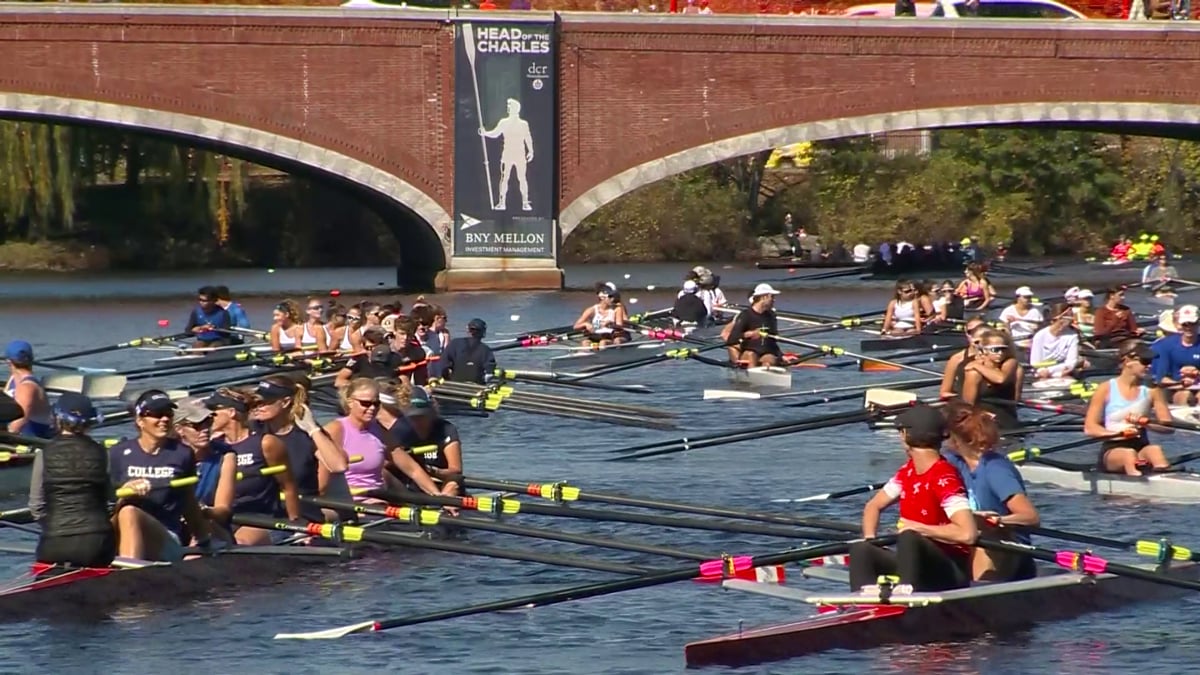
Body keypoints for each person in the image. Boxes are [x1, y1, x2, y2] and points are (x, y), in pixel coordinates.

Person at [848, 405, 977, 593]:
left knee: (909, 537)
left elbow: (967, 534)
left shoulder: (944, 477)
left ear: (905, 435)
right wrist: (871, 538)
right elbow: (873, 506)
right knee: (861, 549)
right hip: (915, 562)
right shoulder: (907, 471)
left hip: (948, 570)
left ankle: (906, 594)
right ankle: (863, 603)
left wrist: (918, 528)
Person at [108, 390, 213, 561]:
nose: (164, 419)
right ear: (140, 420)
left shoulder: (182, 454)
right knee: (126, 510)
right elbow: (107, 506)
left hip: (166, 536)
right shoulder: (118, 453)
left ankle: (130, 573)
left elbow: (188, 502)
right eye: (157, 414)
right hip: (121, 531)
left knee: (129, 512)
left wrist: (204, 542)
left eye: (168, 414)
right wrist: (125, 492)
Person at [941, 402, 1039, 582]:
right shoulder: (952, 463)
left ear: (955, 439)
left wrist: (999, 520)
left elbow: (1030, 517)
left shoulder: (996, 469)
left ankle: (978, 591)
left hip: (1012, 551)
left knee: (983, 529)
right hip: (972, 543)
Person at [28, 393, 116, 569]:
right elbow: (111, 503)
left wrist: (53, 526)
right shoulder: (102, 453)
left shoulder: (44, 454)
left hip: (55, 542)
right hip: (97, 541)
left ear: (57, 419)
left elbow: (36, 507)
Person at [207, 388, 303, 545]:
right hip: (225, 517)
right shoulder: (214, 447)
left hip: (262, 519)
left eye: (214, 411)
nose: (209, 416)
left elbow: (288, 486)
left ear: (231, 412)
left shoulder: (266, 443)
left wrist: (297, 527)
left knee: (239, 542)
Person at [323, 379, 444, 502]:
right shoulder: (335, 429)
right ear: (350, 402)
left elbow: (413, 470)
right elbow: (318, 473)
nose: (372, 408)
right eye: (365, 403)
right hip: (347, 501)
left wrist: (440, 498)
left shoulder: (379, 430)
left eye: (376, 404)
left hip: (378, 499)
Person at [251, 375, 349, 518]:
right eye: (256, 402)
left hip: (303, 514)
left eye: (265, 402)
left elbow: (339, 466)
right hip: (263, 513)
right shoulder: (252, 430)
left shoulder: (304, 433)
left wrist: (313, 429)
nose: (258, 407)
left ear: (285, 402)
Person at [1084, 341, 1172, 476]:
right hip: (1113, 450)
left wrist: (1147, 423)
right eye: (1145, 361)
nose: (1149, 366)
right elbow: (1090, 428)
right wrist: (1119, 433)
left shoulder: (1153, 390)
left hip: (1141, 447)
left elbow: (1168, 428)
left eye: (1150, 361)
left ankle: (1166, 481)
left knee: (1155, 450)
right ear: (1127, 361)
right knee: (1129, 455)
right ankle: (1135, 486)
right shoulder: (1105, 388)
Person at [387, 385, 464, 496]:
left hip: (441, 481)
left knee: (454, 483)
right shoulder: (399, 429)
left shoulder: (446, 429)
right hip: (408, 484)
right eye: (413, 417)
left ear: (432, 412)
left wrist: (433, 471)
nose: (418, 421)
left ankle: (447, 505)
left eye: (422, 416)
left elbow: (455, 470)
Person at [960, 329, 1022, 430]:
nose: (1000, 353)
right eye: (995, 349)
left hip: (1006, 418)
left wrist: (977, 365)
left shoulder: (1010, 363)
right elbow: (968, 405)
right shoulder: (974, 373)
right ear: (984, 350)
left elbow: (1000, 379)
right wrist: (982, 414)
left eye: (1003, 349)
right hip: (982, 420)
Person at [172, 398, 228, 507]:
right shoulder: (166, 457)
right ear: (179, 429)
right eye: (197, 425)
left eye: (208, 422)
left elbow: (223, 510)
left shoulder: (224, 455)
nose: (205, 429)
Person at [721, 283, 785, 367]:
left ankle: (765, 375)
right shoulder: (745, 315)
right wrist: (749, 334)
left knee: (769, 361)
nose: (774, 300)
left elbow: (773, 340)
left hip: (766, 352)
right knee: (752, 355)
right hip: (749, 352)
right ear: (764, 297)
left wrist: (781, 356)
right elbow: (732, 339)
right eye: (772, 297)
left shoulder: (771, 316)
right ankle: (750, 376)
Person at [1152, 304, 1200, 406]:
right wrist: (1181, 383)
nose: (1189, 327)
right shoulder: (1165, 345)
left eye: (1192, 324)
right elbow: (1161, 379)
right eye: (1185, 324)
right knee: (1185, 396)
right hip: (1173, 389)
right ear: (1180, 324)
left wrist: (1196, 374)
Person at [5, 340, 54, 438]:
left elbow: (17, 424)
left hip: (34, 439)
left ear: (8, 362)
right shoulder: (13, 378)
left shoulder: (28, 387)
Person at [938, 316, 989, 399]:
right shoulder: (956, 359)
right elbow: (944, 392)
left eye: (980, 330)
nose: (976, 335)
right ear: (966, 333)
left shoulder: (997, 355)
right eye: (971, 332)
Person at [1028, 303, 1081, 381]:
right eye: (1061, 321)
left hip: (1064, 374)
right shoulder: (1039, 336)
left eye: (1068, 321)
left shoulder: (1073, 336)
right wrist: (1043, 372)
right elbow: (1035, 363)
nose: (1063, 325)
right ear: (1054, 319)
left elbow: (1071, 363)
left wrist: (1050, 371)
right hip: (1042, 375)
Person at [441, 319, 497, 385]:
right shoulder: (486, 349)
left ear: (468, 330)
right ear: (483, 333)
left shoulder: (454, 343)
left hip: (455, 385)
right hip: (476, 386)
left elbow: (443, 365)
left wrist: (447, 379)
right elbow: (489, 374)